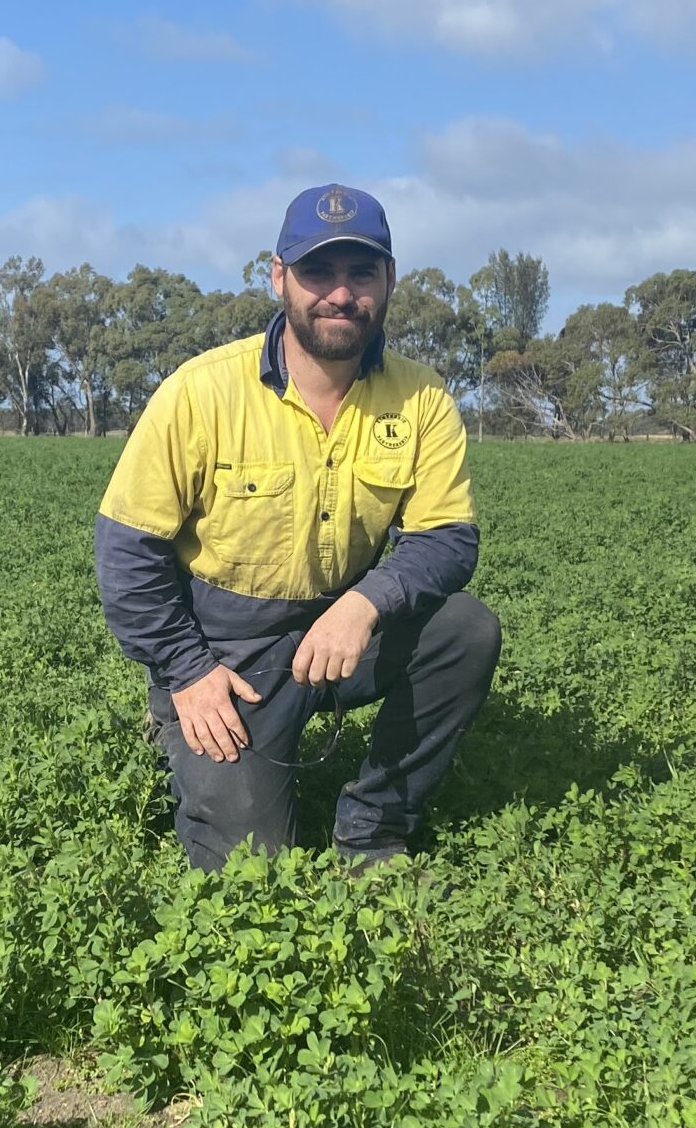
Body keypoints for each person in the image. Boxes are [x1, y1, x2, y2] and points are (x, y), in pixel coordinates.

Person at [95, 184, 500, 869]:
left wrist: (366, 604)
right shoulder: (201, 392)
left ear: (389, 280)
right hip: (227, 651)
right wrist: (189, 672)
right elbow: (127, 554)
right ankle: (181, 727)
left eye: (361, 272)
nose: (340, 294)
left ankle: (373, 829)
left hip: (337, 631)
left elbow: (448, 540)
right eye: (318, 271)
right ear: (279, 276)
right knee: (253, 870)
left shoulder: (422, 398)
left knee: (464, 630)